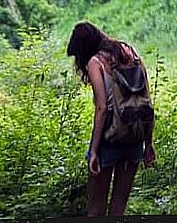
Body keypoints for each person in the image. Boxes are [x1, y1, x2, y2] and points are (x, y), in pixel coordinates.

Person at [66, 21, 156, 216]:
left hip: (108, 140)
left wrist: (94, 151)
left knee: (96, 209)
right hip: (134, 138)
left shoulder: (95, 63)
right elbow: (146, 103)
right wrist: (148, 144)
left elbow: (102, 109)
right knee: (118, 209)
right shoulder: (131, 53)